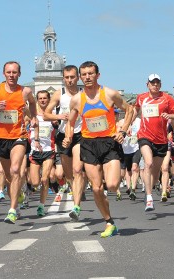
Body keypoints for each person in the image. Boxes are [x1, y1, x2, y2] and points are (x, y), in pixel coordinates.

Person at [66, 61, 132, 238]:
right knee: (96, 188)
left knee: (111, 185)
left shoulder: (109, 94)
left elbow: (130, 109)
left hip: (109, 142)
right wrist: (67, 136)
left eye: (91, 73)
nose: (87, 77)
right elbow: (70, 123)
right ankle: (109, 221)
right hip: (88, 144)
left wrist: (123, 130)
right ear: (81, 77)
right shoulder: (77, 100)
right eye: (84, 74)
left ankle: (108, 208)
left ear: (98, 75)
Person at [0, 61, 37, 224]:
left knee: (15, 170)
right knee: (8, 176)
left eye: (14, 72)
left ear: (19, 74)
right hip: (0, 136)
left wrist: (33, 117)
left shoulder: (25, 91)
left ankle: (12, 209)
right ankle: (17, 197)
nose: (11, 75)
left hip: (19, 135)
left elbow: (33, 104)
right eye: (8, 72)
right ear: (3, 74)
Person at [128, 74, 174, 212]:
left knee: (155, 171)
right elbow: (135, 110)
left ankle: (151, 188)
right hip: (145, 136)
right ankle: (149, 198)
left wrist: (170, 116)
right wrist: (128, 124)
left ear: (161, 84)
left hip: (161, 140)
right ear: (147, 84)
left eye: (157, 83)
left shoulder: (167, 99)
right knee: (148, 163)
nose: (155, 85)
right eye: (152, 83)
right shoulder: (141, 97)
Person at [43, 65, 86, 221]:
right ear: (63, 78)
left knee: (77, 169)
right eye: (67, 77)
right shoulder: (58, 94)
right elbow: (46, 114)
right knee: (69, 175)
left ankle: (76, 206)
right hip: (63, 135)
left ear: (78, 78)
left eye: (72, 77)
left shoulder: (84, 94)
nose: (69, 80)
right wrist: (61, 117)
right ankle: (75, 189)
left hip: (80, 134)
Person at [28, 90, 57, 216]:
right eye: (40, 98)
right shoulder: (32, 114)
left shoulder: (53, 115)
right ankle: (26, 191)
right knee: (35, 182)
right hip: (34, 151)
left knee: (45, 179)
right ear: (37, 100)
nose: (42, 100)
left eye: (45, 98)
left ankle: (41, 206)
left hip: (48, 150)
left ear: (49, 100)